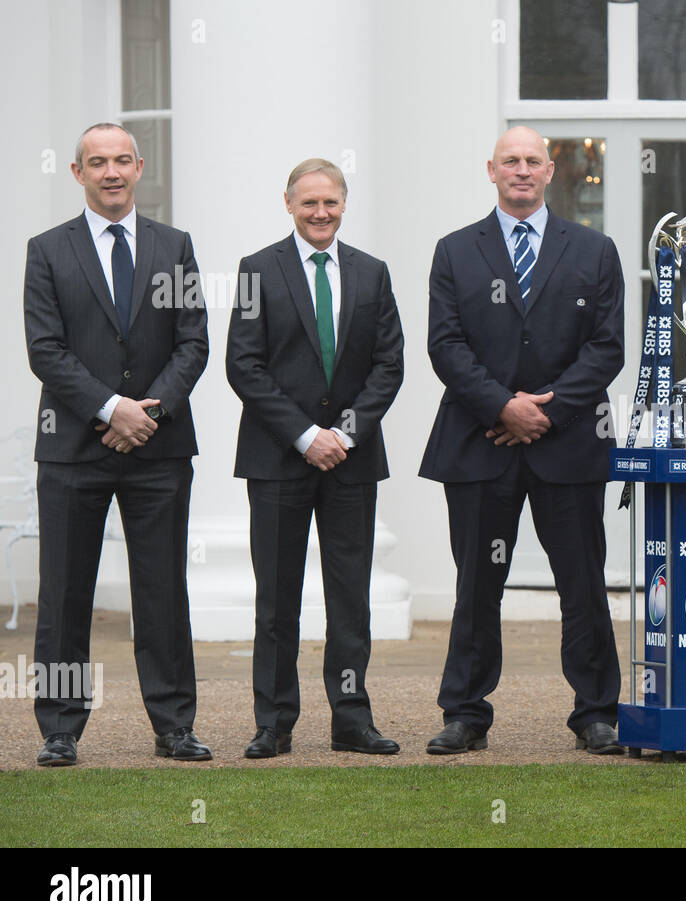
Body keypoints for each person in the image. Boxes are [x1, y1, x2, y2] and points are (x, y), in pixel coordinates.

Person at [419, 126, 625, 756]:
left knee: (582, 583)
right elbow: (445, 344)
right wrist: (503, 406)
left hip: (569, 446)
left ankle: (595, 713)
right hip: (480, 443)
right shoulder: (455, 251)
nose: (522, 171)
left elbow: (607, 347)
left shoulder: (595, 250)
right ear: (491, 170)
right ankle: (465, 712)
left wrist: (548, 411)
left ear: (551, 170)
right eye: (511, 161)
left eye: (533, 161)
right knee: (477, 585)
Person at [23, 122, 209, 766]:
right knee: (66, 591)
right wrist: (111, 408)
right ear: (77, 173)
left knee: (161, 588)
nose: (111, 173)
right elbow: (45, 351)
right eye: (97, 163)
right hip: (73, 449)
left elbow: (194, 341)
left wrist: (147, 411)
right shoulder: (47, 250)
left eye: (122, 161)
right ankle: (60, 729)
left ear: (139, 167)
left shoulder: (176, 246)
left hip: (158, 449)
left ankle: (174, 725)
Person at [226, 158, 405, 758]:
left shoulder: (372, 273)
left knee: (350, 598)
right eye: (309, 204)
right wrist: (306, 434)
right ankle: (274, 723)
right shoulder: (257, 270)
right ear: (288, 204)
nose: (320, 213)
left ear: (344, 202)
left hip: (351, 462)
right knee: (277, 600)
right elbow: (242, 366)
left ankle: (351, 719)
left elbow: (389, 365)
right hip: (277, 460)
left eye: (330, 202)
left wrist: (344, 433)